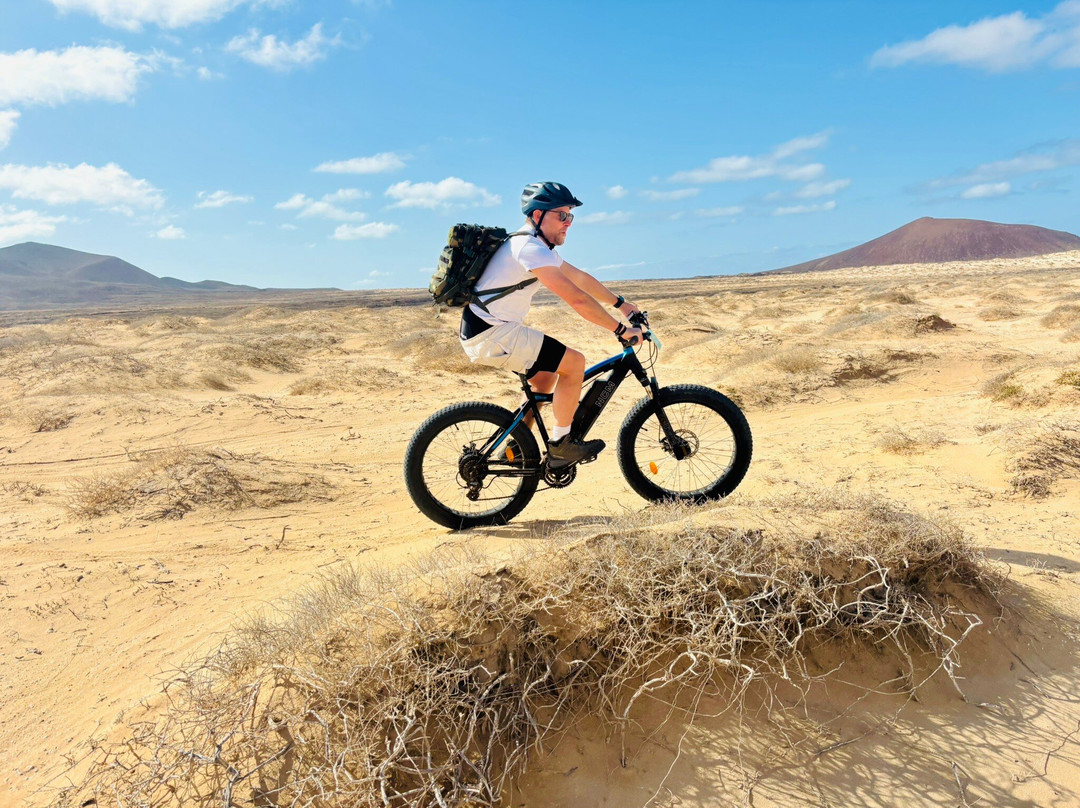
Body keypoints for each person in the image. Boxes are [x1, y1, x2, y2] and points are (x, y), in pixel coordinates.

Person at [459, 181, 644, 467]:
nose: (568, 222)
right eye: (562, 215)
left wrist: (621, 304)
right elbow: (577, 299)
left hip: (489, 330)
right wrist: (620, 329)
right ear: (537, 215)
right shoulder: (528, 248)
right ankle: (561, 446)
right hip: (491, 332)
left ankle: (515, 448)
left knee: (544, 380)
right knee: (574, 364)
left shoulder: (537, 247)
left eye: (571, 216)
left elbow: (579, 278)